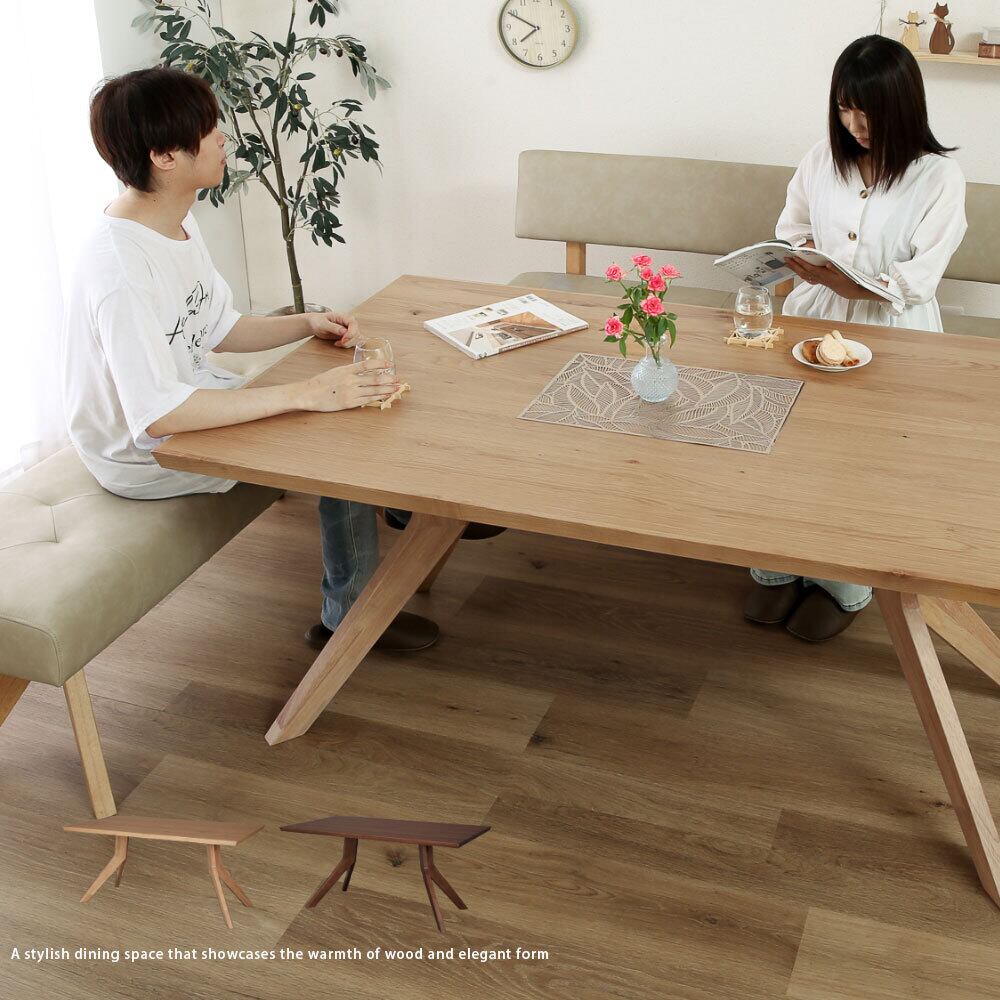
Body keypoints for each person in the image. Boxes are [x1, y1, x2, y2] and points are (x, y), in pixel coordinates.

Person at [63, 66, 439, 653]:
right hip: (146, 455)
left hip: (195, 403)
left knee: (352, 390)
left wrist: (305, 322)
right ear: (164, 156)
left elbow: (218, 327)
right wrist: (307, 395)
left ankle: (408, 512)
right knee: (335, 431)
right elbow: (158, 417)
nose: (224, 138)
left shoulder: (173, 223)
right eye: (209, 129)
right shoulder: (120, 270)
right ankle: (352, 618)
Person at [744, 35, 967, 642]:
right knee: (789, 445)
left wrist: (856, 284)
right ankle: (778, 568)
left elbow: (920, 278)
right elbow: (791, 228)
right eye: (845, 109)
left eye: (868, 113)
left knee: (862, 464)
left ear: (903, 106)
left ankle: (844, 585)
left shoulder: (939, 177)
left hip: (894, 330)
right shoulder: (822, 158)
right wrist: (801, 254)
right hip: (816, 316)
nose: (855, 125)